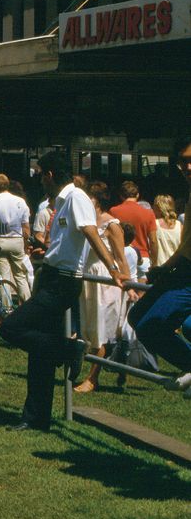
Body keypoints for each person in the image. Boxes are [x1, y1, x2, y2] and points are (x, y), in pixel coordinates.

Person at [0, 151, 126, 432]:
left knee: (10, 327)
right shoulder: (60, 201)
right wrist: (47, 250)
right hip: (53, 275)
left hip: (63, 282)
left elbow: (92, 233)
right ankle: (36, 417)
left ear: (50, 175)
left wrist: (114, 269)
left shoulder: (76, 197)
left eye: (41, 174)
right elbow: (71, 241)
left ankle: (68, 348)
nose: (39, 180)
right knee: (39, 353)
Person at [127, 137, 191, 391]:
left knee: (150, 325)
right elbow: (188, 243)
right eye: (184, 162)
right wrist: (166, 267)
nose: (187, 168)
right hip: (183, 267)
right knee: (136, 316)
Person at [74, 182, 129, 393]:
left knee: (102, 331)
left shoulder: (112, 224)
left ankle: (92, 378)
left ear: (98, 202)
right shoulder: (87, 223)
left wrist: (129, 286)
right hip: (88, 279)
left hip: (106, 282)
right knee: (89, 330)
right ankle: (108, 369)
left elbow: (121, 258)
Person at [0, 173, 32, 302]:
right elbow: (26, 227)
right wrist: (26, 244)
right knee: (20, 276)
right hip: (17, 240)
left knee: (3, 277)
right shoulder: (20, 201)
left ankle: (6, 308)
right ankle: (26, 304)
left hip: (0, 240)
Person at [109, 180, 157, 280]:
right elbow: (153, 240)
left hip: (121, 255)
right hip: (143, 256)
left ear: (121, 196)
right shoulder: (149, 213)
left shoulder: (113, 211)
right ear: (137, 195)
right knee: (142, 292)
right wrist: (155, 262)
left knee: (122, 291)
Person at [150, 194, 182, 267]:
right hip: (175, 267)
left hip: (159, 267)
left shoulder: (154, 224)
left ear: (158, 208)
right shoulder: (180, 226)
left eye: (154, 206)